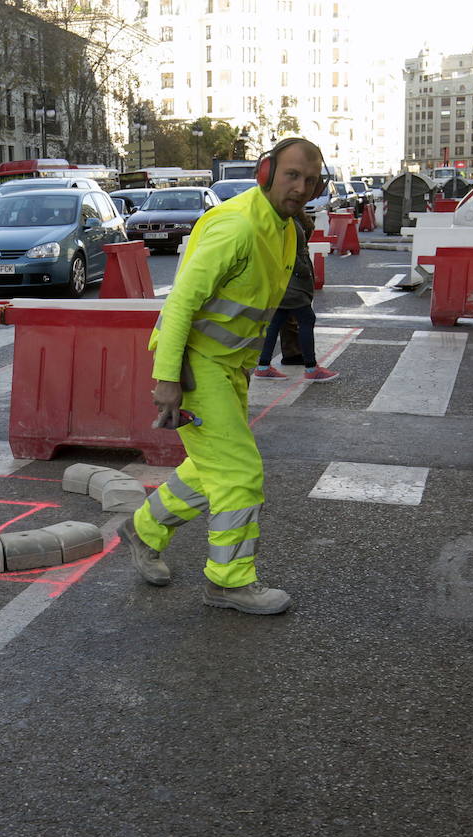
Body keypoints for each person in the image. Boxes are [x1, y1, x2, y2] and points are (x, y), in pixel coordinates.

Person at [117, 137, 323, 616]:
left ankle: (142, 531)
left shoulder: (284, 226)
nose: (300, 188)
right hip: (196, 365)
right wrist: (167, 378)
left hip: (229, 366)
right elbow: (180, 303)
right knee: (239, 473)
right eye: (291, 175)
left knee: (212, 466)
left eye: (310, 180)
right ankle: (228, 582)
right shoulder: (237, 227)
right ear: (266, 172)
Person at [252, 208, 338, 382]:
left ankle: (263, 365)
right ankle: (311, 368)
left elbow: (308, 228)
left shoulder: (287, 214)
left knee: (277, 320)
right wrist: (302, 270)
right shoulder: (279, 219)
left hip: (288, 277)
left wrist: (298, 210)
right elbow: (285, 248)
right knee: (307, 319)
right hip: (292, 277)